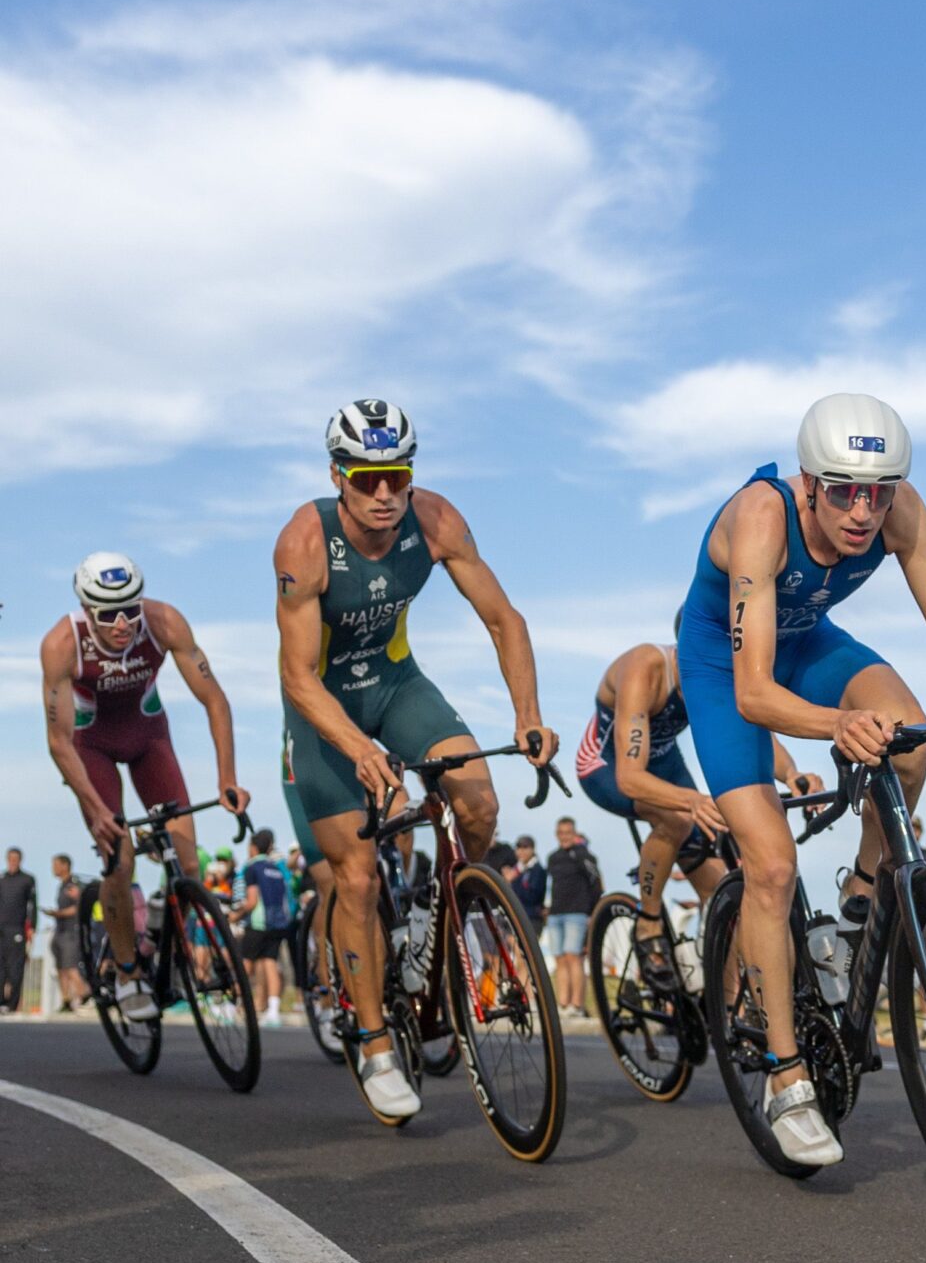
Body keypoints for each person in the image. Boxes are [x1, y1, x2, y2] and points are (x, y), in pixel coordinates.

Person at [673, 392, 926, 1168]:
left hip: (811, 641)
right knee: (769, 864)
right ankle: (786, 1078)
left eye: (880, 490)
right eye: (845, 491)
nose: (865, 511)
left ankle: (863, 898)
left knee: (909, 742)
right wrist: (835, 725)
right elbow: (755, 693)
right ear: (809, 482)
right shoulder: (762, 518)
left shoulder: (901, 513)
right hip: (728, 663)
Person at [274, 399, 558, 1125]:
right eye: (367, 479)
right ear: (338, 475)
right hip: (327, 708)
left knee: (479, 798)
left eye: (395, 476)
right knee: (358, 878)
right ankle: (373, 1043)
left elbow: (506, 619)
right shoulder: (306, 542)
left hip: (399, 684)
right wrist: (358, 748)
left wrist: (526, 715)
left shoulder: (436, 521)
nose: (383, 495)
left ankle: (445, 906)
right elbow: (299, 676)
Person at [40, 551, 252, 1023]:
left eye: (130, 609)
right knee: (122, 859)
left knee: (190, 862)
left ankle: (168, 936)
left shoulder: (163, 621)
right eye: (108, 614)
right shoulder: (61, 643)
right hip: (89, 746)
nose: (122, 623)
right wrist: (96, 810)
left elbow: (215, 700)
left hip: (149, 739)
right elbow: (58, 742)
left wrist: (227, 779)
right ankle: (127, 970)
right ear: (86, 609)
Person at [574, 640, 821, 981]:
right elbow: (631, 779)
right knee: (677, 818)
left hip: (665, 762)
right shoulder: (645, 669)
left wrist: (792, 773)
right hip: (607, 765)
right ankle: (648, 924)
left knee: (721, 888)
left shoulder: (716, 672)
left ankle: (726, 1010)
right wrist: (691, 800)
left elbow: (753, 735)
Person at [235, 829, 295, 1026]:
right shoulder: (276, 867)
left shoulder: (251, 867)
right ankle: (273, 1010)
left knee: (246, 964)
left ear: (253, 847)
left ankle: (236, 1004)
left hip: (258, 923)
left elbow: (252, 900)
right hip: (278, 923)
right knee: (271, 964)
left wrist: (236, 915)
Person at [543, 817, 601, 1017]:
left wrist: (592, 911)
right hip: (556, 913)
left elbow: (596, 884)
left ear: (574, 833)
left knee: (573, 956)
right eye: (561, 833)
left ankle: (576, 1005)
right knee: (559, 958)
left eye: (568, 832)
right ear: (557, 834)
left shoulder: (584, 855)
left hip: (577, 913)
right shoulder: (553, 857)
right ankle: (563, 1003)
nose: (565, 836)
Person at [47, 854, 91, 1012]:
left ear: (65, 865)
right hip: (60, 930)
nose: (53, 868)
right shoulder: (62, 885)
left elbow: (77, 907)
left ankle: (86, 995)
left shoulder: (73, 884)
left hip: (71, 932)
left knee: (71, 966)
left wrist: (58, 913)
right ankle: (66, 1000)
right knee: (61, 968)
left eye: (56, 864)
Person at [0, 849, 35, 1013]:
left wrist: (32, 927)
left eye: (16, 859)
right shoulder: (2, 879)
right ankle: (1, 1002)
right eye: (10, 859)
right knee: (1, 968)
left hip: (17, 929)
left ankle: (12, 1005)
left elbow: (32, 906)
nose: (13, 862)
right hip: (1, 930)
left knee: (15, 969)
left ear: (20, 860)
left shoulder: (27, 880)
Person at [511, 836, 549, 933]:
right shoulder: (516, 869)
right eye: (519, 848)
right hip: (515, 916)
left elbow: (532, 896)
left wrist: (513, 880)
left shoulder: (538, 870)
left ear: (532, 849)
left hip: (532, 918)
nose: (521, 851)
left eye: (525, 848)